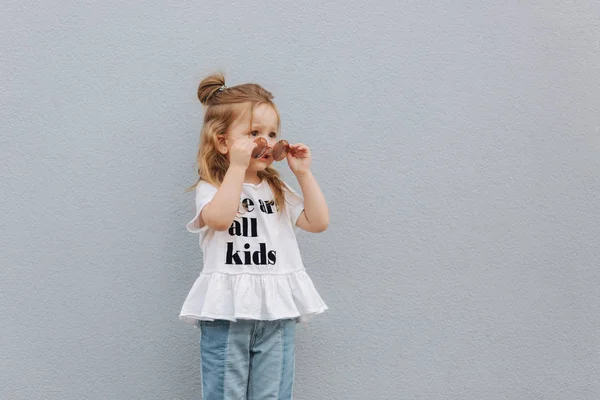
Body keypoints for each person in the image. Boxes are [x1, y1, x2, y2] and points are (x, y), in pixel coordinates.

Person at [180, 73, 329, 399]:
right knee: (224, 394)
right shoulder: (213, 188)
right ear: (222, 142)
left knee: (273, 394)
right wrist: (235, 168)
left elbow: (317, 222)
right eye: (254, 133)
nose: (267, 141)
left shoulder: (276, 188)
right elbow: (219, 219)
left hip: (276, 310)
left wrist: (303, 174)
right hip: (227, 311)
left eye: (272, 133)